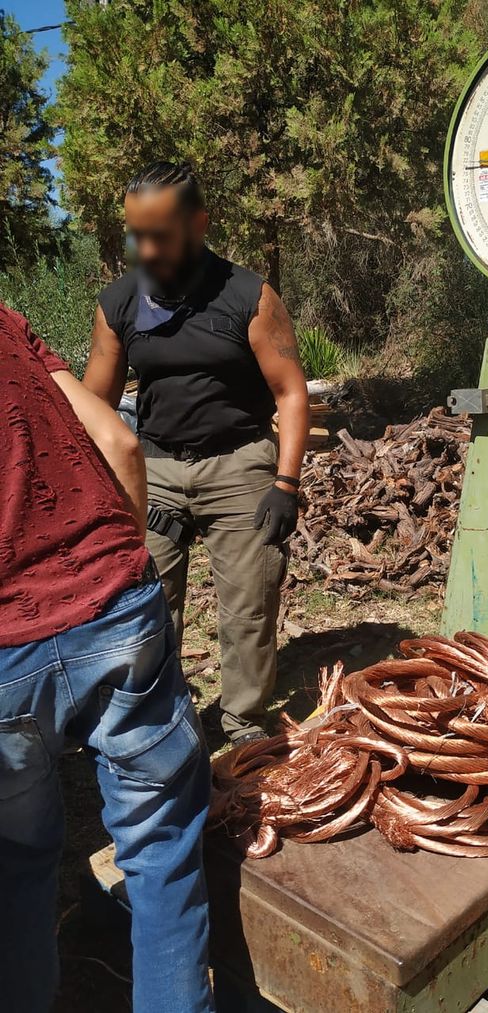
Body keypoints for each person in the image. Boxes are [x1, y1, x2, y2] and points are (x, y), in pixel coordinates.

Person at [0, 303, 214, 1013]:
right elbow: (120, 443)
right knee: (161, 851)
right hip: (118, 610)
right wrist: (120, 572)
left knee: (16, 861)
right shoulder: (5, 322)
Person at [84, 161, 310, 745]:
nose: (146, 249)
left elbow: (290, 392)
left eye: (160, 235)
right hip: (153, 470)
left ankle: (243, 724)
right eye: (137, 234)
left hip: (239, 465)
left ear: (199, 224)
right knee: (146, 606)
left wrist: (285, 484)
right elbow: (94, 405)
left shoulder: (248, 296)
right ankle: (160, 724)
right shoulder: (119, 304)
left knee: (248, 607)